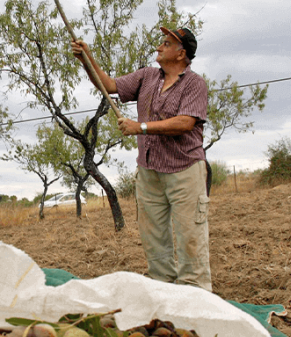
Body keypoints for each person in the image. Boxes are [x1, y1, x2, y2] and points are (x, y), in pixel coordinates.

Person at [71, 27, 212, 291]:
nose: (159, 47)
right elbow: (109, 85)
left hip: (185, 171)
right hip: (149, 172)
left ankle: (197, 303)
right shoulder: (147, 76)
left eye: (166, 43)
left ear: (181, 54)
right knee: (154, 241)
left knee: (190, 240)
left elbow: (185, 122)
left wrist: (141, 127)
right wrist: (86, 59)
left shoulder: (195, 84)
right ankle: (163, 295)